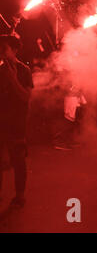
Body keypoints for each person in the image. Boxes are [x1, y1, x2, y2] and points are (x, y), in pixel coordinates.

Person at [0, 34, 33, 208]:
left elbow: (25, 97)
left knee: (18, 160)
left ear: (14, 50)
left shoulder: (23, 71)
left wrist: (12, 79)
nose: (0, 53)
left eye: (3, 49)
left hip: (16, 124)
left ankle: (20, 195)